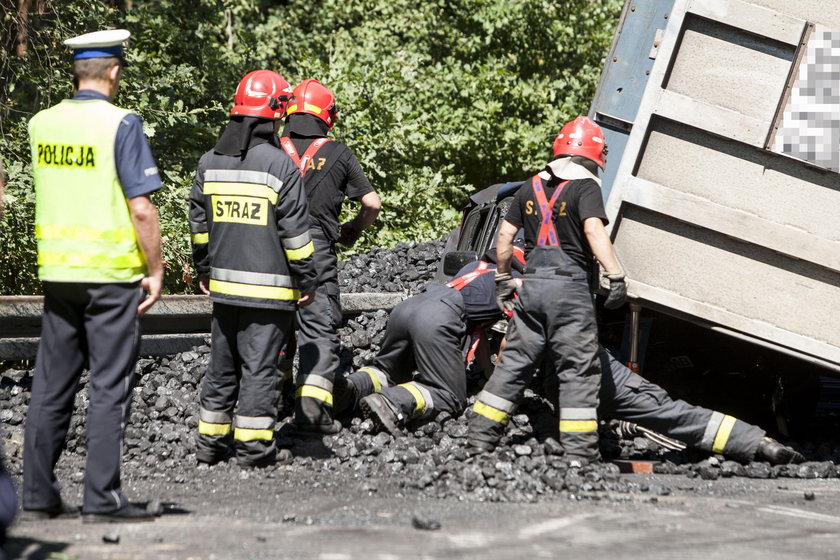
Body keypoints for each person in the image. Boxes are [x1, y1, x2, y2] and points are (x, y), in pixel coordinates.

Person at [23, 29, 163, 523]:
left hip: (58, 271)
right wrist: (155, 269)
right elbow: (141, 208)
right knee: (108, 386)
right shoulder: (121, 123)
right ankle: (102, 500)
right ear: (114, 71)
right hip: (111, 277)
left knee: (51, 384)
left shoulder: (42, 123)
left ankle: (37, 497)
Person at [467, 116, 626, 464]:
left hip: (532, 287)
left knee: (512, 366)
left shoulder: (530, 186)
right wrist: (615, 275)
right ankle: (579, 455)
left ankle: (478, 440)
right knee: (577, 370)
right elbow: (594, 232)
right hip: (569, 292)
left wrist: (504, 279)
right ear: (595, 156)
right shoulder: (586, 189)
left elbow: (505, 236)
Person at [190, 70, 318, 467]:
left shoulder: (208, 163)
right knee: (261, 370)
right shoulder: (280, 167)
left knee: (221, 368)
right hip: (270, 294)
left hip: (224, 289)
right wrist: (307, 278)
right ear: (274, 114)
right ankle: (253, 448)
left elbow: (199, 227)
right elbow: (295, 234)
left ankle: (210, 445)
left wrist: (205, 270)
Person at [278, 79, 381, 434]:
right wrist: (352, 228)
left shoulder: (269, 148)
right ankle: (311, 414)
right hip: (317, 249)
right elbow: (372, 203)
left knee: (274, 328)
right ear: (328, 116)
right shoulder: (338, 152)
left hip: (272, 252)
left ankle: (273, 404)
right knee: (317, 329)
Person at [333, 248, 525, 435]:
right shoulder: (519, 282)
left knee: (388, 371)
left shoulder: (477, 266)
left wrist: (487, 370)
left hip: (408, 307)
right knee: (449, 396)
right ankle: (392, 403)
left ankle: (352, 389)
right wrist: (501, 386)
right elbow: (511, 339)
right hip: (437, 318)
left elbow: (478, 330)